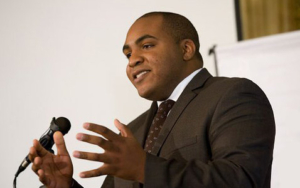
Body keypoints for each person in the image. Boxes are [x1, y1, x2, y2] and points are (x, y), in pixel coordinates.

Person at [29, 12, 275, 188]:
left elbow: (240, 180)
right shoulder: (132, 131)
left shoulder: (233, 95)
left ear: (186, 49)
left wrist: (144, 168)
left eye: (146, 46)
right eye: (128, 54)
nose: (132, 59)